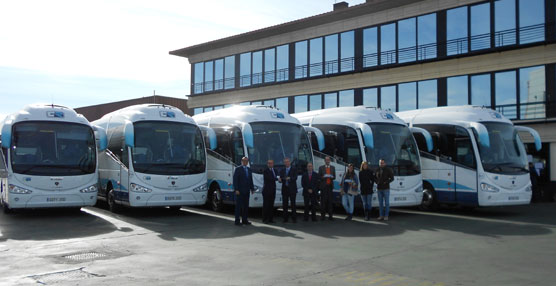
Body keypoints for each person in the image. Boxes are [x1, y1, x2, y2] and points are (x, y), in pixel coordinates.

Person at [232, 157, 255, 226]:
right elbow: (235, 180)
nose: (245, 162)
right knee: (238, 206)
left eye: (246, 161)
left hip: (247, 191)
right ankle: (237, 220)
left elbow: (250, 180)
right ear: (241, 161)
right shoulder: (238, 169)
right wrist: (236, 189)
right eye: (244, 161)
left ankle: (245, 220)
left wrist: (252, 188)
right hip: (240, 191)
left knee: (245, 206)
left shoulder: (249, 169)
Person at [279, 157, 298, 223]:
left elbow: (295, 177)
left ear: (290, 162)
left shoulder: (294, 169)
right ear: (284, 163)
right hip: (285, 189)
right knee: (285, 204)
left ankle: (294, 218)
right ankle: (285, 218)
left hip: (292, 189)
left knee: (293, 204)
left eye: (287, 162)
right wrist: (280, 180)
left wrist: (289, 178)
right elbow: (281, 178)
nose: (286, 163)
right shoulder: (282, 170)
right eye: (285, 162)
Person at [318, 156, 336, 220]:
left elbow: (334, 177)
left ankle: (330, 216)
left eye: (328, 160)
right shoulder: (321, 168)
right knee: (323, 202)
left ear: (330, 161)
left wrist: (331, 177)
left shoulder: (333, 168)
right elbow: (319, 177)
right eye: (326, 160)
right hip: (323, 187)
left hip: (330, 187)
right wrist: (324, 177)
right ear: (324, 161)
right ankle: (322, 216)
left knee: (330, 202)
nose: (327, 161)